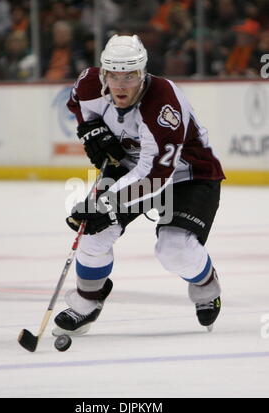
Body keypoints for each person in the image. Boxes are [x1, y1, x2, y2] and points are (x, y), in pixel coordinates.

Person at [53, 34, 225, 337]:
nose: (121, 85)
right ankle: (87, 302)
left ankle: (205, 284)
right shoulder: (88, 84)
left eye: (129, 76)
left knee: (174, 249)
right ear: (103, 73)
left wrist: (105, 203)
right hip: (130, 170)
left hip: (188, 174)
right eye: (114, 75)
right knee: (93, 233)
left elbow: (155, 176)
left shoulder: (163, 103)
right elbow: (77, 106)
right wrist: (89, 130)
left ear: (142, 73)